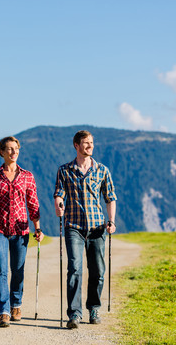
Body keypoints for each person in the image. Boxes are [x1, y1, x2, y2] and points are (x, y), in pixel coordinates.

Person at [54, 130, 117, 329]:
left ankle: (94, 308)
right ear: (76, 145)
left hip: (97, 227)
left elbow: (110, 197)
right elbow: (58, 194)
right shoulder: (64, 170)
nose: (90, 146)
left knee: (98, 271)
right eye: (86, 143)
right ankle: (74, 314)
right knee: (74, 269)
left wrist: (111, 221)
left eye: (91, 142)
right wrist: (58, 204)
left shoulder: (102, 170)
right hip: (73, 226)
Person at [0, 136, 44, 328]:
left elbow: (33, 204)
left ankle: (16, 304)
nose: (13, 152)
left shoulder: (27, 176)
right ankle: (4, 311)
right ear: (1, 152)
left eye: (15, 149)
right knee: (1, 270)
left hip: (20, 229)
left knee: (18, 270)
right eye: (8, 149)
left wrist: (38, 227)